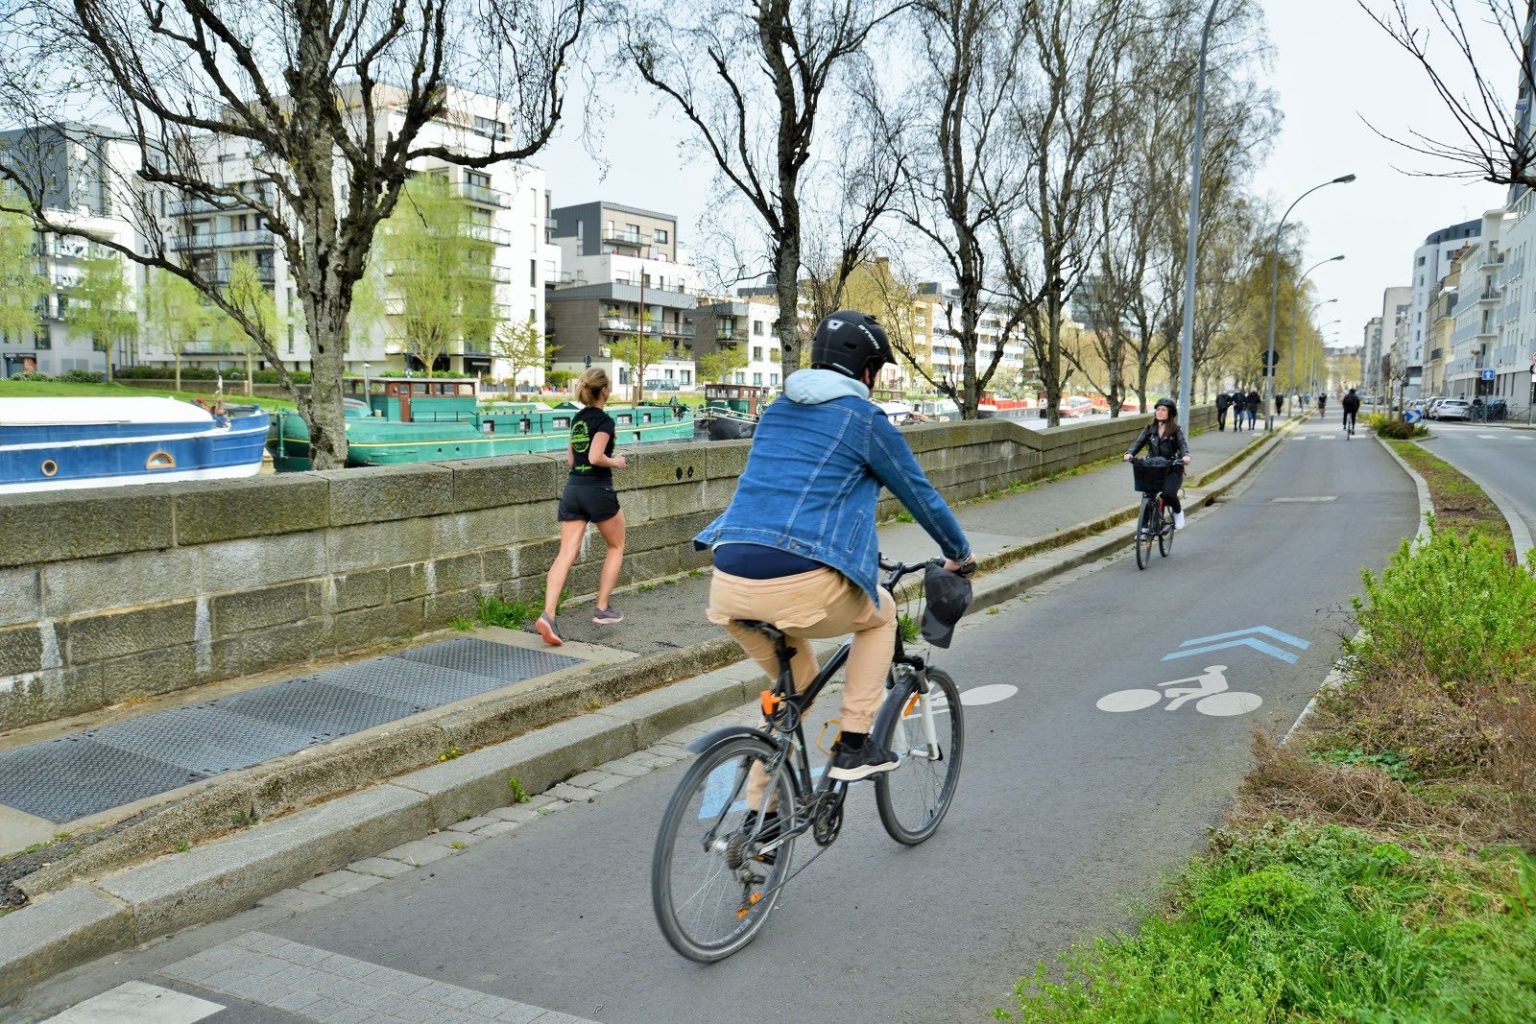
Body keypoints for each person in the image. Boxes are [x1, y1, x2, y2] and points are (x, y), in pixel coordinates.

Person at [694, 309, 976, 786]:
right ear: (867, 369)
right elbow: (920, 495)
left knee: (795, 692)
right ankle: (853, 745)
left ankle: (760, 827)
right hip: (799, 579)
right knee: (881, 612)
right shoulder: (864, 419)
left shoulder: (776, 411)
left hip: (729, 580)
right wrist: (960, 554)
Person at [535, 368, 628, 646]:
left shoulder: (577, 420)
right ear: (604, 391)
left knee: (565, 553)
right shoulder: (604, 421)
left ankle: (548, 615)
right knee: (616, 545)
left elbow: (572, 462)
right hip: (597, 489)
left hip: (573, 489)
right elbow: (596, 456)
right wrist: (617, 462)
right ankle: (602, 608)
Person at [1123, 397, 1192, 530]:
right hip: (1154, 467)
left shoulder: (1176, 430)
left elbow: (1183, 445)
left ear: (1170, 413)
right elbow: (1138, 443)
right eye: (1158, 409)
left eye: (1163, 410)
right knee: (1148, 496)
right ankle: (1143, 528)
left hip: (1172, 467)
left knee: (1168, 493)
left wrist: (1185, 456)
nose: (1159, 412)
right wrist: (1130, 453)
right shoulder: (1149, 429)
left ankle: (1178, 512)